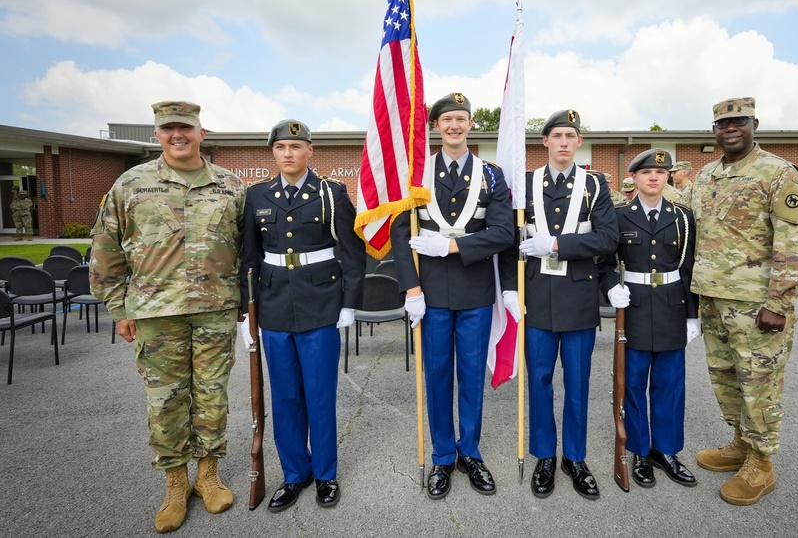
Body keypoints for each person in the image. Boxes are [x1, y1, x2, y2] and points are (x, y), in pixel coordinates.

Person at [90, 101, 246, 533]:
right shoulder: (130, 184)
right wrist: (118, 307)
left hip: (214, 309)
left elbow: (245, 246)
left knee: (213, 394)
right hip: (156, 313)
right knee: (165, 401)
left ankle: (208, 476)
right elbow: (105, 247)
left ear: (202, 133)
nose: (177, 134)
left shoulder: (230, 185)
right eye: (168, 128)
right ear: (157, 135)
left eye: (186, 128)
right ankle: (175, 483)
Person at [391, 92, 515, 500]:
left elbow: (503, 232)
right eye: (447, 120)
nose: (455, 126)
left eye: (462, 119)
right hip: (430, 293)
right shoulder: (416, 174)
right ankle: (443, 455)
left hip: (476, 290)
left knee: (472, 376)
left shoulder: (491, 175)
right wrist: (411, 288)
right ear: (436, 126)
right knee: (439, 375)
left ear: (470, 124)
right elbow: (398, 233)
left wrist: (451, 247)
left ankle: (470, 451)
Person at [689, 97, 798, 506]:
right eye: (723, 123)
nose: (731, 128)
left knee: (759, 383)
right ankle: (740, 443)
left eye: (738, 121)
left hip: (756, 304)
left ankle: (762, 463)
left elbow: (794, 243)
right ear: (714, 130)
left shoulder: (777, 172)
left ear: (754, 123)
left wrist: (778, 303)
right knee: (725, 378)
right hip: (712, 299)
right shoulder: (707, 174)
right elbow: (683, 213)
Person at [239, 119, 364, 511]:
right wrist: (247, 312)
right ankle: (295, 474)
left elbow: (353, 251)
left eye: (296, 146)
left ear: (311, 150)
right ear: (273, 153)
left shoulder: (331, 193)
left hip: (321, 302)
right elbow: (249, 257)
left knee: (320, 394)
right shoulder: (257, 195)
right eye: (281, 148)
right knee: (286, 396)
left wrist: (349, 303)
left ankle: (325, 473)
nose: (288, 153)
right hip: (274, 305)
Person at [517, 109, 619, 500]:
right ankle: (544, 455)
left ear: (578, 142)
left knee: (577, 384)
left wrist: (558, 244)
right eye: (556, 135)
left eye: (570, 136)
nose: (563, 141)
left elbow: (608, 238)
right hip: (537, 295)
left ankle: (574, 458)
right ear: (544, 141)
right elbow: (509, 237)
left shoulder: (595, 185)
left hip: (578, 296)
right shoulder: (526, 184)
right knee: (539, 381)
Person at [599, 149, 699, 490]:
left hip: (672, 307)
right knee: (635, 384)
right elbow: (603, 263)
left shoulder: (683, 218)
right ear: (635, 178)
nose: (653, 178)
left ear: (668, 177)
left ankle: (666, 451)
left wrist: (692, 316)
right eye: (645, 173)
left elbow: (688, 268)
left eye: (660, 172)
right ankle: (640, 451)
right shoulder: (618, 215)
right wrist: (612, 288)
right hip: (635, 308)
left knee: (670, 385)